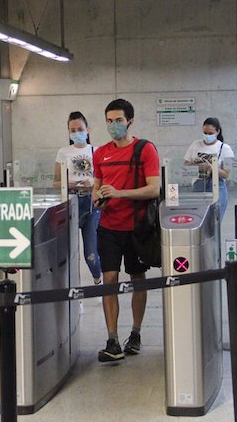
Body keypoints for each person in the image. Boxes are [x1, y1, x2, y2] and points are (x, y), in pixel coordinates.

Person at [92, 99, 160, 362]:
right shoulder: (101, 153)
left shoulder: (145, 149)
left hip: (137, 227)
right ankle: (112, 339)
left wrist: (121, 193)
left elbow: (154, 188)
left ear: (130, 121)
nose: (113, 126)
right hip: (108, 227)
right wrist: (98, 198)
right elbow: (96, 187)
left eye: (118, 120)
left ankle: (136, 332)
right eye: (109, 121)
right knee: (109, 280)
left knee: (137, 279)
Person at [54, 111, 103, 285]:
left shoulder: (96, 151)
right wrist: (71, 184)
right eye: (72, 130)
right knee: (69, 253)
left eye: (80, 129)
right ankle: (74, 289)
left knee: (91, 252)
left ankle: (98, 279)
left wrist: (93, 185)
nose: (77, 133)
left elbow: (103, 179)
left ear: (88, 129)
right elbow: (56, 182)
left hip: (91, 204)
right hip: (71, 203)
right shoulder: (63, 152)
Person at [183, 117, 234, 219]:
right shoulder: (195, 145)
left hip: (216, 184)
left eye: (210, 133)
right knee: (197, 218)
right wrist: (197, 166)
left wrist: (211, 168)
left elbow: (226, 174)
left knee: (215, 219)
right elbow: (185, 165)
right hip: (199, 183)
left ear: (217, 131)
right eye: (205, 133)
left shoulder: (225, 148)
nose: (207, 136)